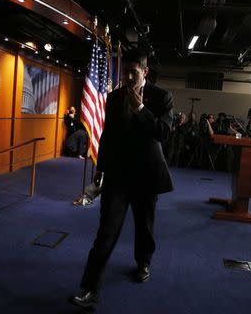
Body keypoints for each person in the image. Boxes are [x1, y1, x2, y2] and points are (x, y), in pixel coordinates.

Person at [69, 49, 174, 309]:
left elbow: (163, 133)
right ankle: (89, 289)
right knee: (106, 233)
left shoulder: (162, 97)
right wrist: (100, 168)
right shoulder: (114, 98)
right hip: (117, 176)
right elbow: (108, 136)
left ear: (145, 72)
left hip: (147, 176)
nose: (128, 77)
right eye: (124, 71)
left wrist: (140, 108)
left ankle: (143, 263)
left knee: (144, 227)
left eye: (134, 72)